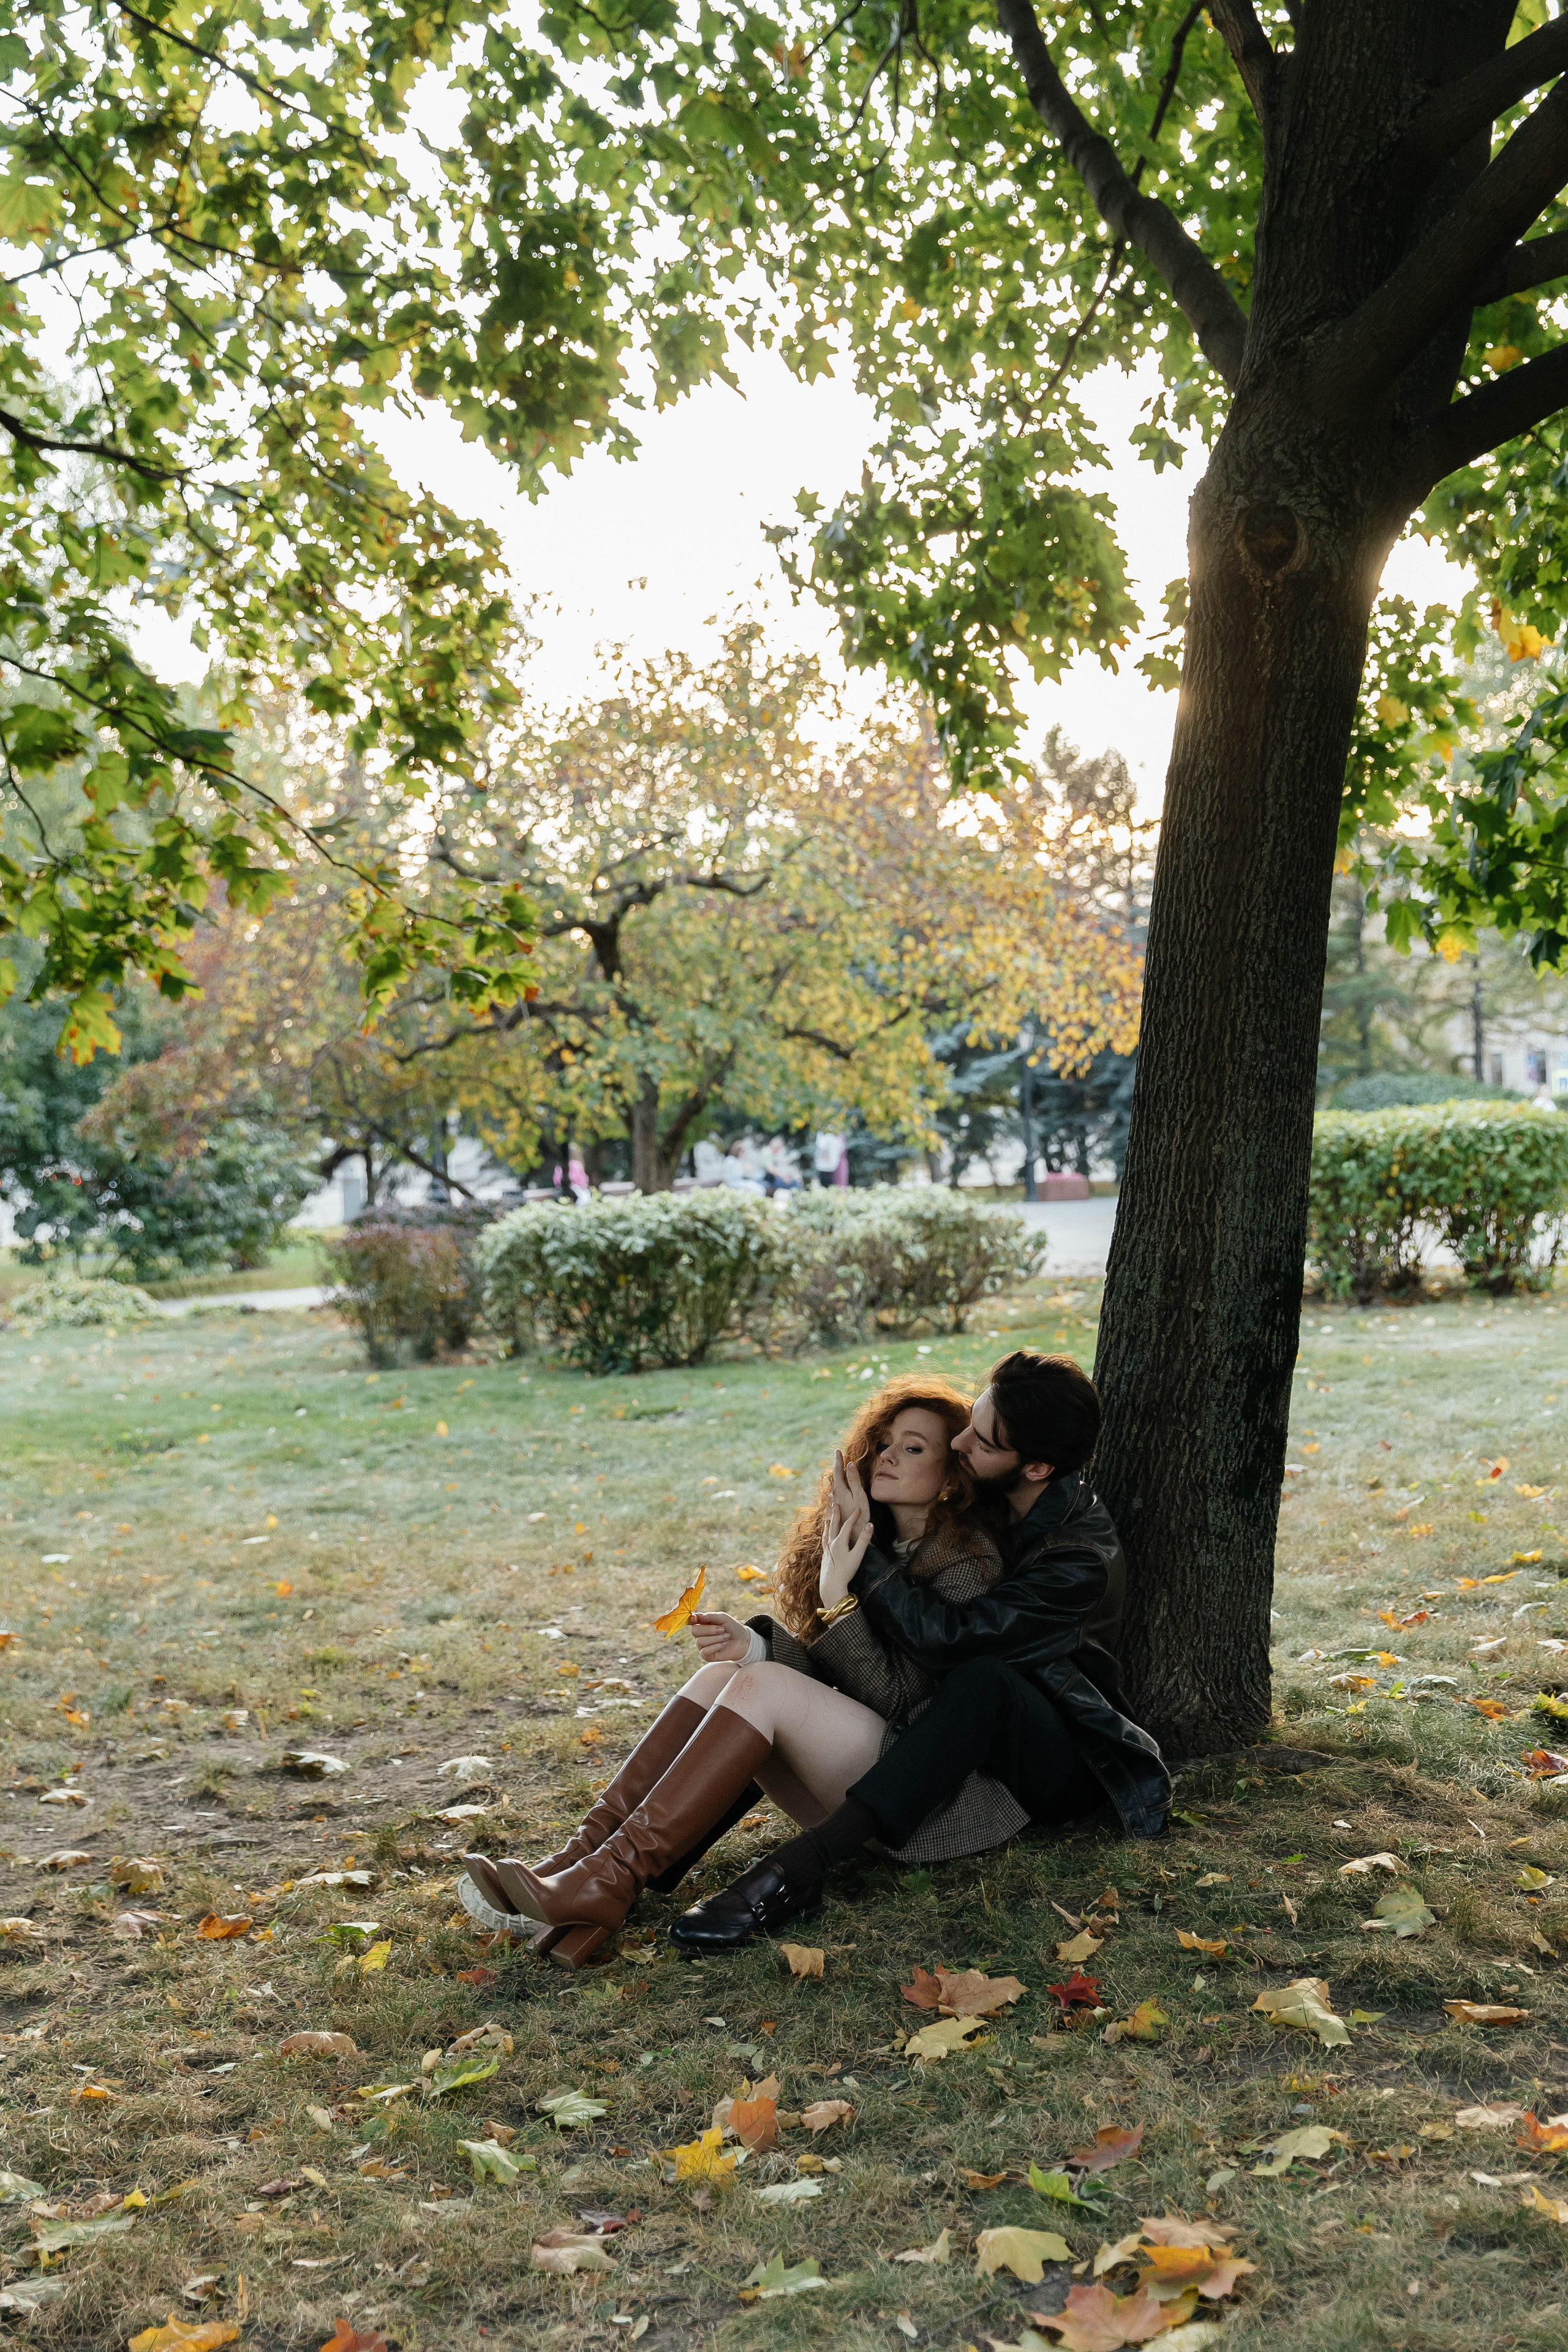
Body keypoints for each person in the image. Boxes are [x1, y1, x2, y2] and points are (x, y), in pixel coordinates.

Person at [459, 1376, 1020, 1967]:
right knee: (721, 1676)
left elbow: (902, 1703)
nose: (886, 1456)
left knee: (763, 1682)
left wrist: (836, 1594)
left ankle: (608, 1880)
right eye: (883, 1442)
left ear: (954, 1479)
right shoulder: (868, 1542)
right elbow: (835, 1691)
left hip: (925, 1806)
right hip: (858, 1774)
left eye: (913, 1448)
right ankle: (583, 1862)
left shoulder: (966, 1564)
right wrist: (752, 1647)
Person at [668, 1349, 1169, 1950]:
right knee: (747, 1681)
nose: (959, 1444)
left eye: (979, 1442)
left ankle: (798, 1870)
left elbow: (944, 1641)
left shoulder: (1076, 1561)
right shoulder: (991, 1503)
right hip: (962, 1726)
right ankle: (626, 1860)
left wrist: (859, 1559)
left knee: (985, 1679)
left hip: (1060, 1758)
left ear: (1035, 1468)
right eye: (967, 1426)